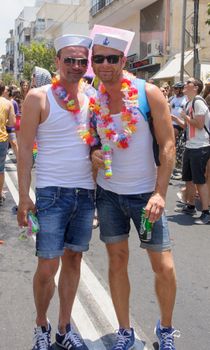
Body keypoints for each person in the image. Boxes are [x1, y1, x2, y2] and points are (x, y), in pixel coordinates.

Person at [90, 32, 179, 350]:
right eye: (98, 58)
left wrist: (160, 193)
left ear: (123, 61)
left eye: (111, 58)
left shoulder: (148, 92)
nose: (104, 64)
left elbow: (169, 145)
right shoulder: (93, 97)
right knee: (117, 261)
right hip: (109, 194)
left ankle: (165, 328)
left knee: (163, 266)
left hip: (145, 196)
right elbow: (94, 140)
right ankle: (124, 331)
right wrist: (93, 154)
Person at [17, 34, 98, 350]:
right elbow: (24, 150)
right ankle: (41, 324)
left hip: (85, 193)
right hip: (51, 194)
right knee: (47, 266)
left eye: (82, 61)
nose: (76, 66)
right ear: (57, 62)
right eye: (70, 60)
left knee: (74, 261)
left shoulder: (93, 97)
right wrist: (25, 197)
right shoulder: (39, 97)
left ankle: (64, 328)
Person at [179, 78, 210, 224]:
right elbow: (187, 126)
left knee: (199, 180)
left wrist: (184, 117)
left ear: (196, 87)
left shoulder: (198, 102)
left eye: (188, 82)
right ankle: (190, 206)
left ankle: (206, 212)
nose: (185, 84)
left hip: (200, 146)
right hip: (190, 146)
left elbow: (199, 124)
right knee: (188, 178)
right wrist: (176, 118)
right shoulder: (188, 103)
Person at [0, 80, 16, 205]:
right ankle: (0, 193)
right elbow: (11, 123)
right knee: (0, 168)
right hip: (2, 139)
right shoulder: (8, 104)